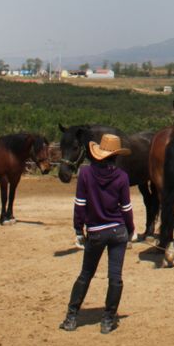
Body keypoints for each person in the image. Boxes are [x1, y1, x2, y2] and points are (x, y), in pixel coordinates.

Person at [59, 132, 134, 333]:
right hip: (118, 231)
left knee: (86, 274)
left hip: (96, 232)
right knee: (115, 277)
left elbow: (80, 204)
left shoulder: (85, 173)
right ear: (116, 156)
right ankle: (108, 320)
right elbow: (126, 208)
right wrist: (131, 230)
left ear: (99, 153)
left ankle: (71, 318)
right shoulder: (122, 177)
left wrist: (78, 229)